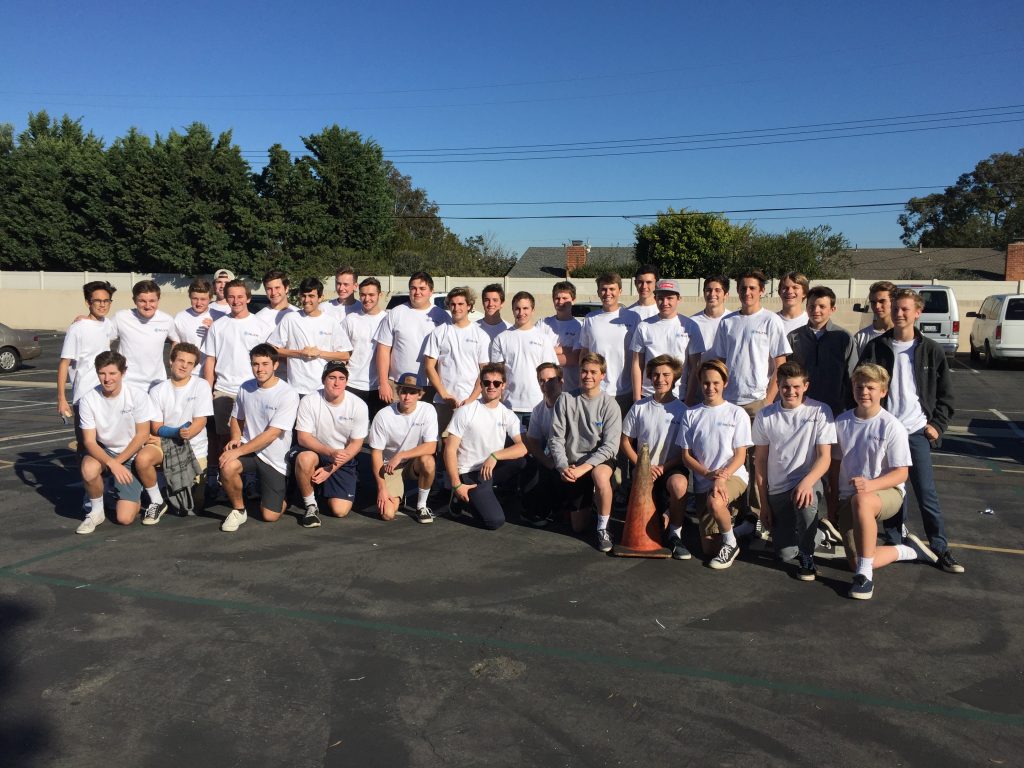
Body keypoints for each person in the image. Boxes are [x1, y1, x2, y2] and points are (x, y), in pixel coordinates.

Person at [859, 288, 964, 574]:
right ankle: (895, 542)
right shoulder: (876, 347)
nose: (899, 313)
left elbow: (946, 396)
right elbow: (860, 386)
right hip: (885, 432)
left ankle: (940, 548)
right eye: (896, 308)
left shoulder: (931, 350)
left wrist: (936, 426)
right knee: (893, 489)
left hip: (916, 431)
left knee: (925, 492)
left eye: (905, 309)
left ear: (917, 313)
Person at [834, 364, 929, 599]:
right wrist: (832, 502)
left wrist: (871, 485)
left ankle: (865, 577)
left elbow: (901, 474)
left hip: (886, 494)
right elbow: (834, 466)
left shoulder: (892, 426)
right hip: (850, 497)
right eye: (859, 387)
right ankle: (905, 550)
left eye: (871, 387)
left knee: (863, 501)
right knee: (855, 560)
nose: (864, 392)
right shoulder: (842, 422)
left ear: (883, 392)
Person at [752, 361, 836, 581]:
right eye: (786, 386)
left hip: (806, 483)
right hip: (777, 491)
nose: (791, 391)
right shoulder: (765, 416)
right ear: (778, 385)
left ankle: (807, 556)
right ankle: (818, 532)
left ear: (806, 386)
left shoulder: (820, 411)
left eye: (796, 386)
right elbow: (759, 462)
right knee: (784, 553)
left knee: (806, 500)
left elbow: (825, 457)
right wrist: (763, 505)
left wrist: (807, 481)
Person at [75, 351, 163, 533]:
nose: (107, 379)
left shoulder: (137, 396)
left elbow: (142, 435)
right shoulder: (88, 399)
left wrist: (117, 462)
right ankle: (96, 511)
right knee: (88, 468)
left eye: (112, 373)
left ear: (123, 373)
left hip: (133, 452)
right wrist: (112, 464)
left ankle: (153, 499)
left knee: (124, 518)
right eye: (102, 373)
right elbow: (89, 442)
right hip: (106, 452)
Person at [677, 360, 752, 569]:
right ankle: (739, 529)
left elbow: (740, 455)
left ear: (725, 383)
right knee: (709, 549)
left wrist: (721, 477)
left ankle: (731, 543)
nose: (711, 388)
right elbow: (686, 456)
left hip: (733, 476)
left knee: (716, 501)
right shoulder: (691, 414)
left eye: (716, 383)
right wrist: (709, 474)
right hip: (705, 481)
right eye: (706, 383)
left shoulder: (737, 413)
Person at [218, 344, 300, 532]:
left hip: (274, 459)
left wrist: (238, 451)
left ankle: (287, 491)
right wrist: (235, 438)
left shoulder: (288, 393)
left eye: (265, 364)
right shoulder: (245, 387)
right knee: (227, 464)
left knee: (270, 516)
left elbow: (272, 434)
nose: (260, 369)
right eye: (256, 364)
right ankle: (239, 510)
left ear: (275, 365)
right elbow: (237, 417)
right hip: (249, 449)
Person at [549, 353, 622, 552]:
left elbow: (610, 447)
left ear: (602, 376)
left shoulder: (610, 405)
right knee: (578, 527)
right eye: (584, 371)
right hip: (573, 465)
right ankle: (592, 503)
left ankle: (603, 527)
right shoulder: (565, 399)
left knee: (599, 476)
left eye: (593, 372)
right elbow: (556, 438)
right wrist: (563, 467)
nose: (588, 376)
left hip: (600, 462)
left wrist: (584, 469)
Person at [202, 279, 272, 490]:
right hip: (224, 390)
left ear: (248, 298)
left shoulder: (261, 326)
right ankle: (224, 479)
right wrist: (208, 390)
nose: (236, 300)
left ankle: (250, 477)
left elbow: (266, 362)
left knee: (251, 436)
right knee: (224, 436)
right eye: (231, 296)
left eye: (240, 296)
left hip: (253, 390)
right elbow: (210, 361)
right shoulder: (218, 326)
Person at [621, 355, 690, 559]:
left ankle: (675, 535)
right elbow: (625, 442)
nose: (661, 379)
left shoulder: (684, 411)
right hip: (643, 470)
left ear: (675, 377)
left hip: (670, 468)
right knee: (652, 527)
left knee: (679, 484)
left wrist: (663, 467)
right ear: (649, 377)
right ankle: (661, 517)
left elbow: (686, 453)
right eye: (656, 375)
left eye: (666, 375)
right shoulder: (640, 407)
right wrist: (642, 467)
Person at [444, 363, 528, 530]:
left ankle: (491, 493)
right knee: (494, 521)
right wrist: (456, 483)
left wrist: (495, 456)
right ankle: (460, 496)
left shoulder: (507, 414)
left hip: (489, 468)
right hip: (469, 473)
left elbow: (524, 446)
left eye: (496, 383)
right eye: (486, 382)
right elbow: (450, 449)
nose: (491, 386)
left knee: (522, 462)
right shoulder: (466, 411)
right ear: (481, 384)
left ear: (503, 386)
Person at [707, 269, 791, 420]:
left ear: (762, 291)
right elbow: (720, 363)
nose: (747, 292)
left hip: (757, 402)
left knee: (757, 445)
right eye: (743, 288)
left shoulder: (771, 320)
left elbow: (780, 365)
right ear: (738, 291)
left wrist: (768, 401)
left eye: (752, 288)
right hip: (729, 400)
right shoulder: (727, 322)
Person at [293, 361, 369, 528]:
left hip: (341, 457)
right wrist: (329, 452)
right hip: (315, 450)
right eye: (332, 377)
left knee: (340, 511)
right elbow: (303, 438)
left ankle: (320, 486)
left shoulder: (358, 405)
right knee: (305, 459)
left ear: (347, 382)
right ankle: (310, 506)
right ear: (323, 380)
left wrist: (331, 468)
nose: (337, 382)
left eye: (342, 378)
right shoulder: (309, 400)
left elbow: (356, 444)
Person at [148, 343, 214, 520]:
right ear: (171, 361)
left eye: (190, 363)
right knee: (143, 458)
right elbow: (156, 427)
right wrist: (176, 433)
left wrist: (187, 433)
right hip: (167, 445)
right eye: (181, 360)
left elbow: (200, 421)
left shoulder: (201, 386)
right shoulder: (157, 390)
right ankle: (157, 497)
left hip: (195, 448)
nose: (184, 365)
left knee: (193, 506)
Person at [367, 373, 439, 523]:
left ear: (420, 394)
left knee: (428, 461)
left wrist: (401, 455)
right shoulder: (383, 415)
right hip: (390, 467)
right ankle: (399, 497)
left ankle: (421, 506)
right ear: (398, 392)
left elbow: (431, 446)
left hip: (414, 462)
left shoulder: (428, 410)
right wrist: (382, 488)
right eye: (404, 391)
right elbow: (376, 454)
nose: (407, 397)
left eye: (412, 392)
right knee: (387, 514)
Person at [375, 271, 450, 403]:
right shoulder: (395, 313)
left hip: (431, 386)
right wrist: (383, 383)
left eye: (422, 288)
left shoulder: (442, 316)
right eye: (413, 288)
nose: (417, 292)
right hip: (399, 385)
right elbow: (383, 349)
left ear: (431, 291)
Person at [58, 281, 117, 449]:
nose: (102, 304)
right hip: (84, 397)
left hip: (106, 396)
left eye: (106, 301)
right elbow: (64, 363)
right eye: (97, 301)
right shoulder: (77, 329)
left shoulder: (108, 324)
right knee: (86, 448)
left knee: (108, 447)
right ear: (88, 303)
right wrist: (62, 399)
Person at [489, 291, 560, 428]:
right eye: (517, 308)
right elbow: (496, 374)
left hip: (538, 405)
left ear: (533, 310)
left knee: (537, 448)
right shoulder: (501, 338)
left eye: (525, 308)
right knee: (510, 448)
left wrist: (550, 400)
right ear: (513, 310)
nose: (521, 312)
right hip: (509, 406)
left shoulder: (542, 338)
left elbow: (552, 373)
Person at [424, 287, 490, 433]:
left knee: (468, 445)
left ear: (469, 306)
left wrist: (472, 399)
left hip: (473, 402)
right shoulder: (438, 332)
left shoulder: (481, 335)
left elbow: (484, 371)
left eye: (461, 304)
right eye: (453, 304)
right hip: (443, 402)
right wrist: (444, 394)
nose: (456, 308)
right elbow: (429, 367)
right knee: (438, 442)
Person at [268, 277, 348, 396]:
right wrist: (300, 353)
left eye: (311, 296)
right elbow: (272, 349)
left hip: (323, 389)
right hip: (296, 389)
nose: (306, 300)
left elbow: (345, 355)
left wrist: (319, 353)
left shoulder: (331, 322)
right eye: (303, 296)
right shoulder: (290, 319)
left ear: (320, 298)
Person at [629, 278, 704, 405]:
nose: (665, 302)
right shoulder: (644, 326)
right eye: (660, 298)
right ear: (655, 298)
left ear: (679, 299)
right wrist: (637, 398)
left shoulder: (690, 326)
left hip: (679, 396)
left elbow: (695, 368)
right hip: (648, 395)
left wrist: (689, 401)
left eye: (670, 298)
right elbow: (637, 364)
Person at [787, 286, 855, 418]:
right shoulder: (794, 337)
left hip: (835, 411)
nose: (816, 310)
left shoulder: (844, 338)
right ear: (806, 308)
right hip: (801, 409)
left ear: (832, 309)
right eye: (811, 306)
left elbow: (852, 377)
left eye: (822, 307)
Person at [578, 273, 641, 416]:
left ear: (620, 291)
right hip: (596, 390)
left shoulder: (633, 317)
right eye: (603, 289)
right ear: (598, 292)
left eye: (612, 289)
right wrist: (580, 383)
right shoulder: (590, 319)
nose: (607, 293)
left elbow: (639, 356)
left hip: (624, 392)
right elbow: (584, 353)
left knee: (620, 437)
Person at [111, 279, 173, 391]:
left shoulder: (167, 320)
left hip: (157, 384)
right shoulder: (121, 317)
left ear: (158, 300)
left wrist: (172, 361)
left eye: (152, 301)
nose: (148, 305)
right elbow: (103, 336)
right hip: (126, 384)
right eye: (142, 301)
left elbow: (176, 340)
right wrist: (89, 318)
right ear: (134, 300)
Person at [522, 363, 565, 526]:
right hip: (553, 459)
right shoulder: (538, 410)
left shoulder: (572, 403)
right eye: (542, 380)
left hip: (574, 459)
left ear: (561, 381)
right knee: (529, 463)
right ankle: (538, 510)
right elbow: (532, 440)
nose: (545, 384)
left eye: (550, 380)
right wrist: (547, 461)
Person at [340, 277, 387, 420]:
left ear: (380, 295)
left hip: (379, 387)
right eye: (363, 295)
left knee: (377, 433)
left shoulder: (388, 320)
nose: (367, 299)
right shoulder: (350, 320)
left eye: (371, 295)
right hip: (352, 384)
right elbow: (341, 352)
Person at [542, 281, 582, 392]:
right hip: (546, 390)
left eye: (565, 298)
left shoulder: (580, 327)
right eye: (557, 298)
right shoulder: (543, 323)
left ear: (573, 300)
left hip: (571, 389)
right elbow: (535, 352)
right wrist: (564, 350)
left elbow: (574, 358)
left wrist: (546, 351)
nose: (561, 302)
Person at [169, 278, 214, 376]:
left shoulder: (218, 317)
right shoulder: (180, 317)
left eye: (203, 299)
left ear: (210, 299)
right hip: (187, 373)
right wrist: (172, 365)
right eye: (195, 299)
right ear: (190, 297)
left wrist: (215, 327)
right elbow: (175, 343)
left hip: (211, 374)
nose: (198, 303)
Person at [853, 280, 896, 355]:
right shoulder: (861, 336)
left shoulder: (906, 335)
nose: (877, 306)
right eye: (873, 302)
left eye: (882, 301)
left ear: (893, 302)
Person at [254, 270, 298, 338]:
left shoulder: (298, 314)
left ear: (286, 288)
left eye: (277, 288)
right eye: (269, 289)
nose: (273, 292)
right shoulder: (258, 318)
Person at [690, 275, 730, 352]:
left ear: (726, 295)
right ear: (704, 293)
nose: (712, 294)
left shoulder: (732, 320)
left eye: (717, 290)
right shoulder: (692, 322)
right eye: (709, 290)